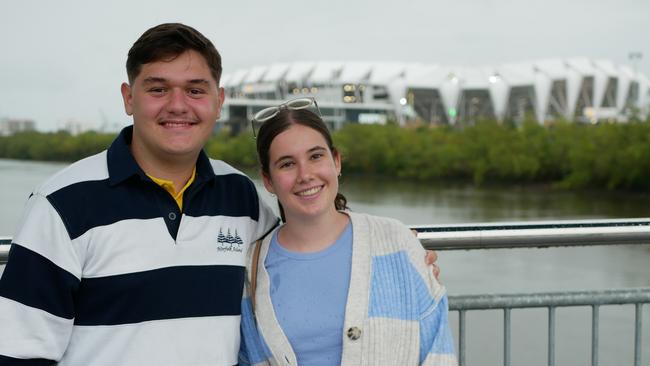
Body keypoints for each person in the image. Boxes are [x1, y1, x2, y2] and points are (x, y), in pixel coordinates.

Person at [0, 23, 277, 365]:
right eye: (158, 89)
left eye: (195, 90)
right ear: (129, 98)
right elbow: (19, 352)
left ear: (218, 101)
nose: (178, 105)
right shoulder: (61, 205)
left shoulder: (241, 196)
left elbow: (301, 262)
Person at [239, 100, 457, 365]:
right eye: (287, 164)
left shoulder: (395, 242)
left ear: (337, 161)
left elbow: (437, 350)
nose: (305, 174)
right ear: (268, 180)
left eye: (316, 156)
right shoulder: (250, 271)